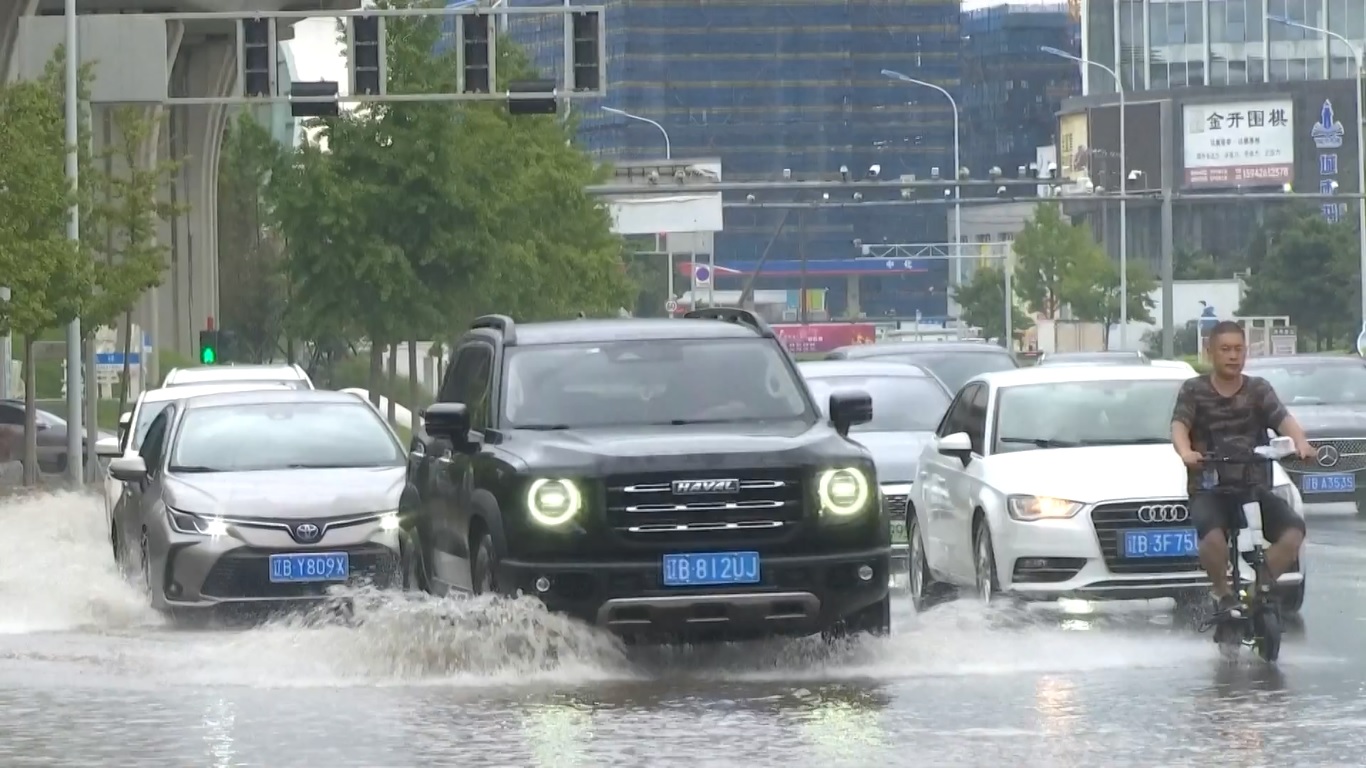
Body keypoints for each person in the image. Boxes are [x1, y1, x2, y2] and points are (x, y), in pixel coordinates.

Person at [1170, 321, 1314, 619]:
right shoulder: (1194, 390)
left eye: (1238, 349)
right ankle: (1222, 594)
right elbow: (1179, 425)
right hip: (1210, 487)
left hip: (1253, 485)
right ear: (1210, 352)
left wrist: (1301, 443)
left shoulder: (1258, 389)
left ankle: (1258, 586)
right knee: (1212, 537)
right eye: (1225, 349)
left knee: (1293, 532)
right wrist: (1186, 452)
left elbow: (1283, 420)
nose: (1233, 356)